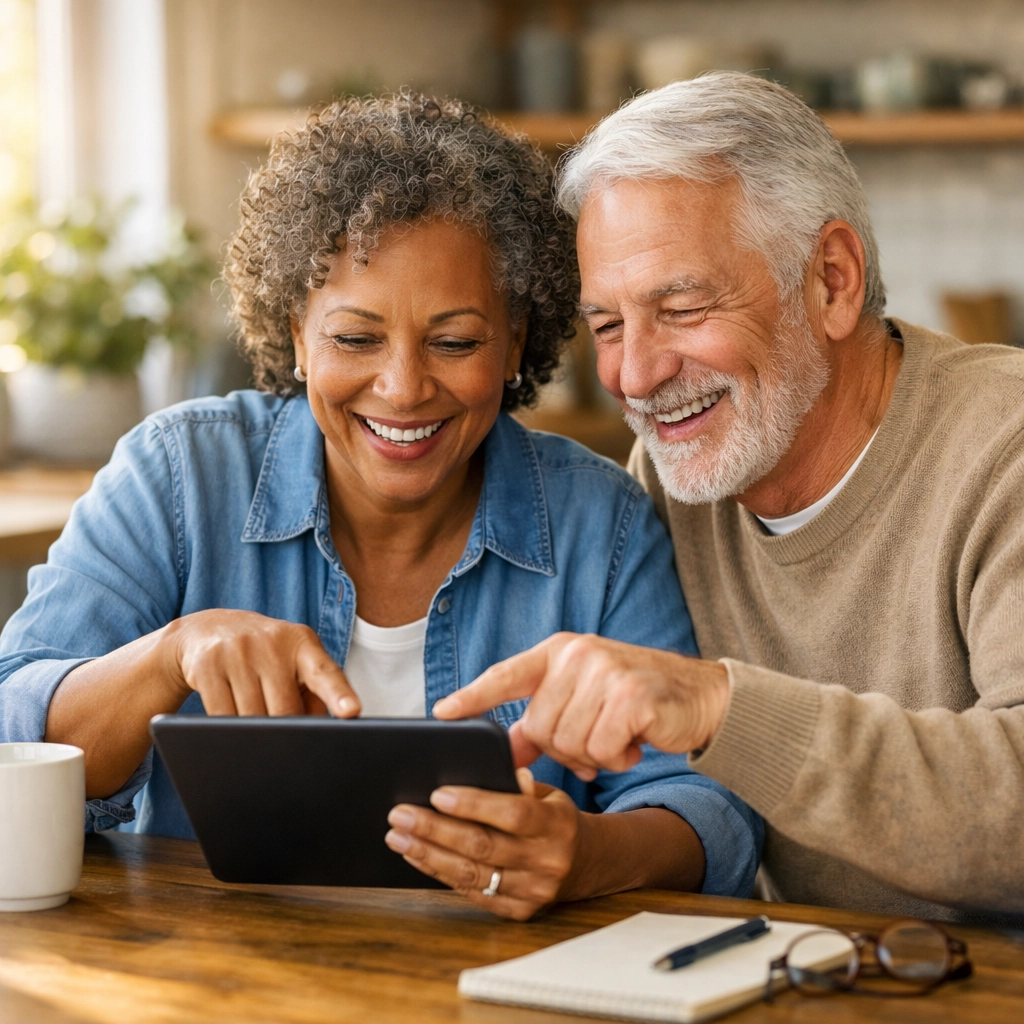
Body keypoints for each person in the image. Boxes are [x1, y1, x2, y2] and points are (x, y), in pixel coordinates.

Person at [0, 93, 761, 921]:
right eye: (355, 339)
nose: (402, 389)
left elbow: (707, 809)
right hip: (212, 978)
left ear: (515, 342)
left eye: (456, 341)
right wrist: (166, 657)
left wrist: (584, 856)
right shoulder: (180, 475)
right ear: (295, 331)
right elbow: (14, 729)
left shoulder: (598, 521)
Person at [436, 73, 1024, 925]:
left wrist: (720, 704)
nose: (635, 375)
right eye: (607, 326)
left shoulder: (1004, 447)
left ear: (831, 280)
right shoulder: (672, 472)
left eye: (680, 308)